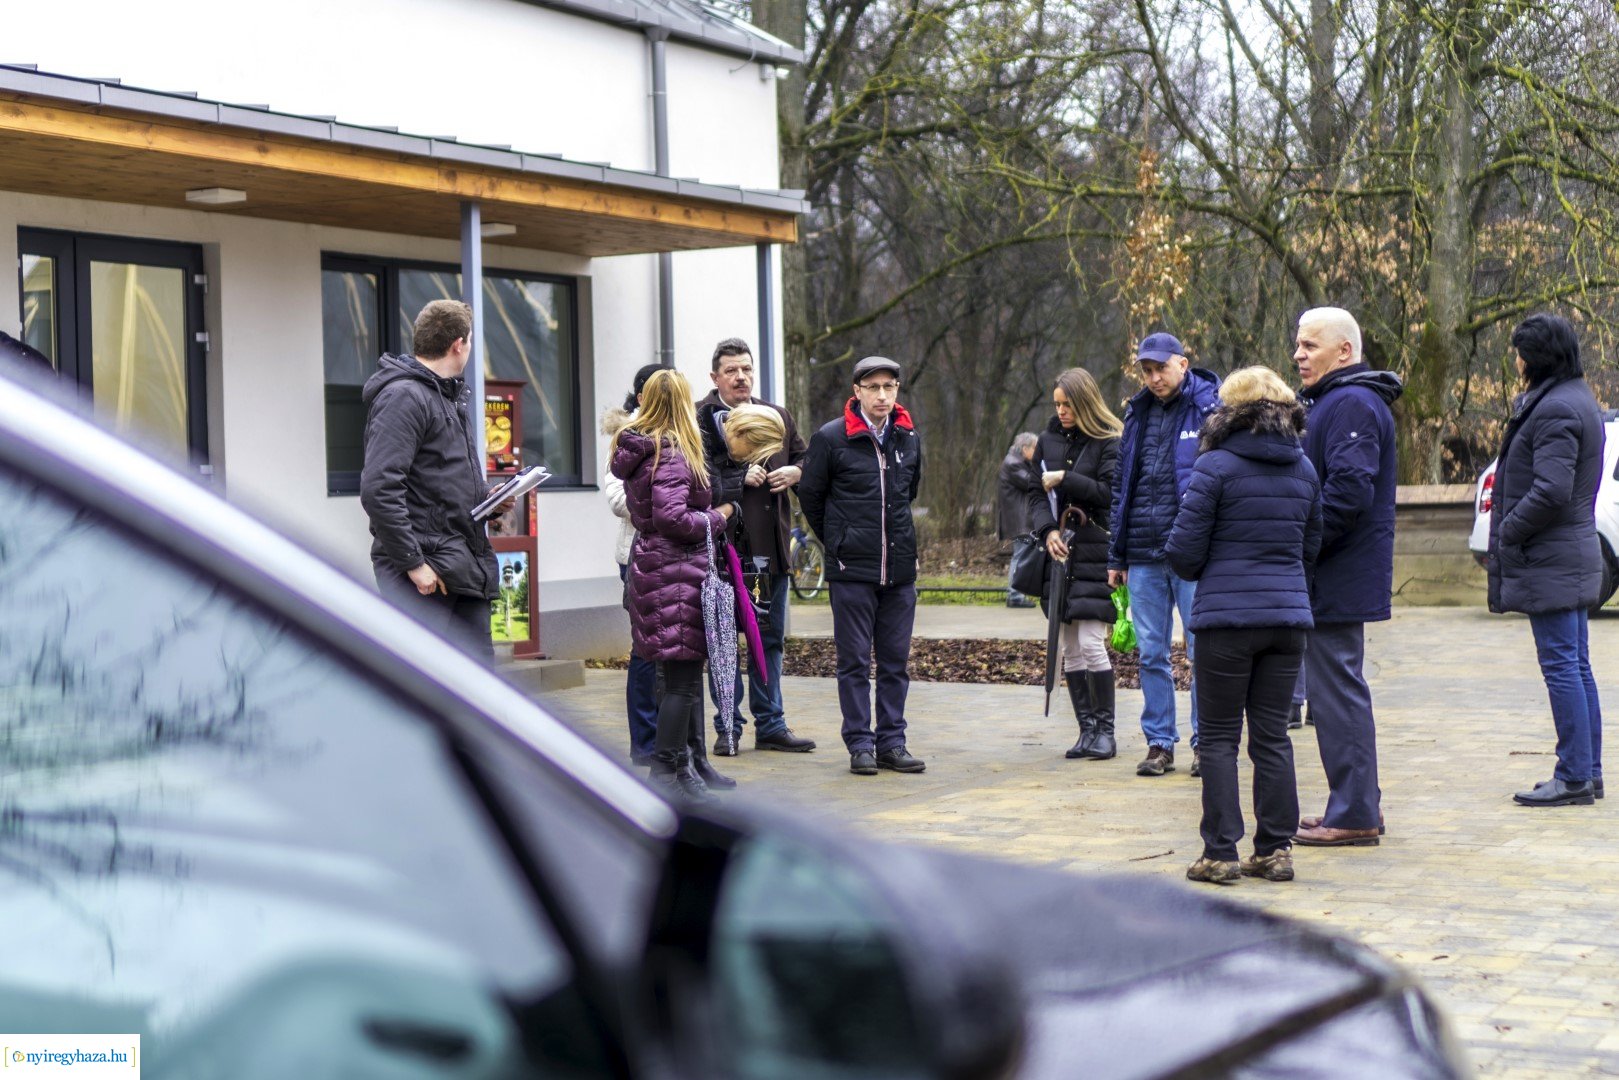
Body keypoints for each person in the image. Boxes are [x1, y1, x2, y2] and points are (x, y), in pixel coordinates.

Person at [1166, 367, 1322, 885]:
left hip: (1226, 621)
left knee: (1217, 738)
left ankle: (1220, 852)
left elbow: (1184, 552)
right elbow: (1311, 547)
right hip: (1287, 620)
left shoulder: (1214, 466)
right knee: (1272, 736)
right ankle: (1275, 849)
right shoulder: (1304, 470)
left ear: (1231, 411)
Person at [1290, 307, 1401, 847]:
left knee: (1337, 694)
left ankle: (1355, 813)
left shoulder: (1352, 402)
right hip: (1332, 574)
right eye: (1297, 344)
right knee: (1334, 693)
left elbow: (1349, 491)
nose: (1298, 355)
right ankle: (1355, 804)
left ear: (1344, 351)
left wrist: (1301, 545)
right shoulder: (1335, 401)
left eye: (1310, 345)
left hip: (1336, 575)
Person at [1488, 314, 1605, 807]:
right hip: (1568, 553)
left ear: (1535, 357)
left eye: (1519, 352)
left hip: (1551, 556)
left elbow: (1552, 490)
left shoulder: (1555, 407)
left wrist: (1509, 531)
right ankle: (1587, 771)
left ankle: (1574, 775)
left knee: (1562, 666)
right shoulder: (1575, 397)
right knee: (1575, 664)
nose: (1515, 361)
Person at [611, 368, 737, 799]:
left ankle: (680, 770)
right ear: (684, 404)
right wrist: (718, 517)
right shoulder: (671, 453)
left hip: (655, 568)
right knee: (681, 682)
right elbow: (674, 519)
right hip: (676, 573)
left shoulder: (643, 449)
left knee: (672, 678)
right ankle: (665, 776)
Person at [799, 355, 926, 776]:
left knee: (895, 663)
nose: (882, 395)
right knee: (853, 662)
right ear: (857, 391)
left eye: (889, 387)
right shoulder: (831, 438)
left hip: (899, 572)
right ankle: (860, 744)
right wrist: (838, 541)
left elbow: (907, 495)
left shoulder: (908, 437)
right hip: (851, 571)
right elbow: (811, 497)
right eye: (873, 387)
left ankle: (892, 742)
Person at [1107, 332, 1222, 777]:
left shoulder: (1209, 408)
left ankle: (1205, 742)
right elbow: (1123, 488)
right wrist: (1117, 556)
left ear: (1182, 364)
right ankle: (1159, 743)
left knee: (1201, 651)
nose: (1154, 377)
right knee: (1151, 653)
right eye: (1147, 370)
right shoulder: (1136, 413)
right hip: (1143, 552)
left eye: (1161, 368)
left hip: (1193, 553)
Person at [360, 300, 501, 659]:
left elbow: (438, 482)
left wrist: (490, 499)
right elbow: (379, 489)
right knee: (422, 684)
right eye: (471, 340)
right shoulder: (404, 398)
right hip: (427, 577)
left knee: (477, 684)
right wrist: (413, 563)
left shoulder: (446, 395)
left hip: (460, 567)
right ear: (458, 344)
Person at [696, 338, 817, 755]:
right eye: (731, 370)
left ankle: (771, 724)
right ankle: (728, 726)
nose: (740, 377)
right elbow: (694, 481)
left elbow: (808, 459)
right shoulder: (699, 419)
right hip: (721, 552)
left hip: (770, 549)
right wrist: (736, 479)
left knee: (770, 640)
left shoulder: (775, 415)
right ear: (715, 377)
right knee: (723, 643)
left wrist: (795, 472)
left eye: (746, 369)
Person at [1027, 371, 1120, 760]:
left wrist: (1067, 478)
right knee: (1068, 646)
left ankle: (1106, 734)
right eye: (1057, 404)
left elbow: (1110, 493)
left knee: (1091, 642)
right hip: (1060, 555)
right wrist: (1047, 530)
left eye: (1068, 404)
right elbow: (1034, 494)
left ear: (1085, 402)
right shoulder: (1046, 440)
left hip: (1097, 552)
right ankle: (1087, 731)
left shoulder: (1109, 440)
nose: (1061, 411)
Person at [603, 362, 663, 767]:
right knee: (646, 650)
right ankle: (645, 743)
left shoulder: (686, 431)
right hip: (639, 555)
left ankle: (673, 740)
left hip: (680, 554)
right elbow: (616, 498)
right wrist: (668, 505)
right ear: (643, 396)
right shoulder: (625, 436)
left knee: (676, 652)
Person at [999, 432, 1040, 607]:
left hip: (1020, 519)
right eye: (1035, 448)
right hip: (1019, 520)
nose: (1037, 452)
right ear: (1025, 448)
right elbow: (1032, 482)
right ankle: (1015, 596)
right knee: (1021, 556)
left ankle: (1016, 594)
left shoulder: (1017, 462)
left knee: (1021, 556)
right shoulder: (1013, 464)